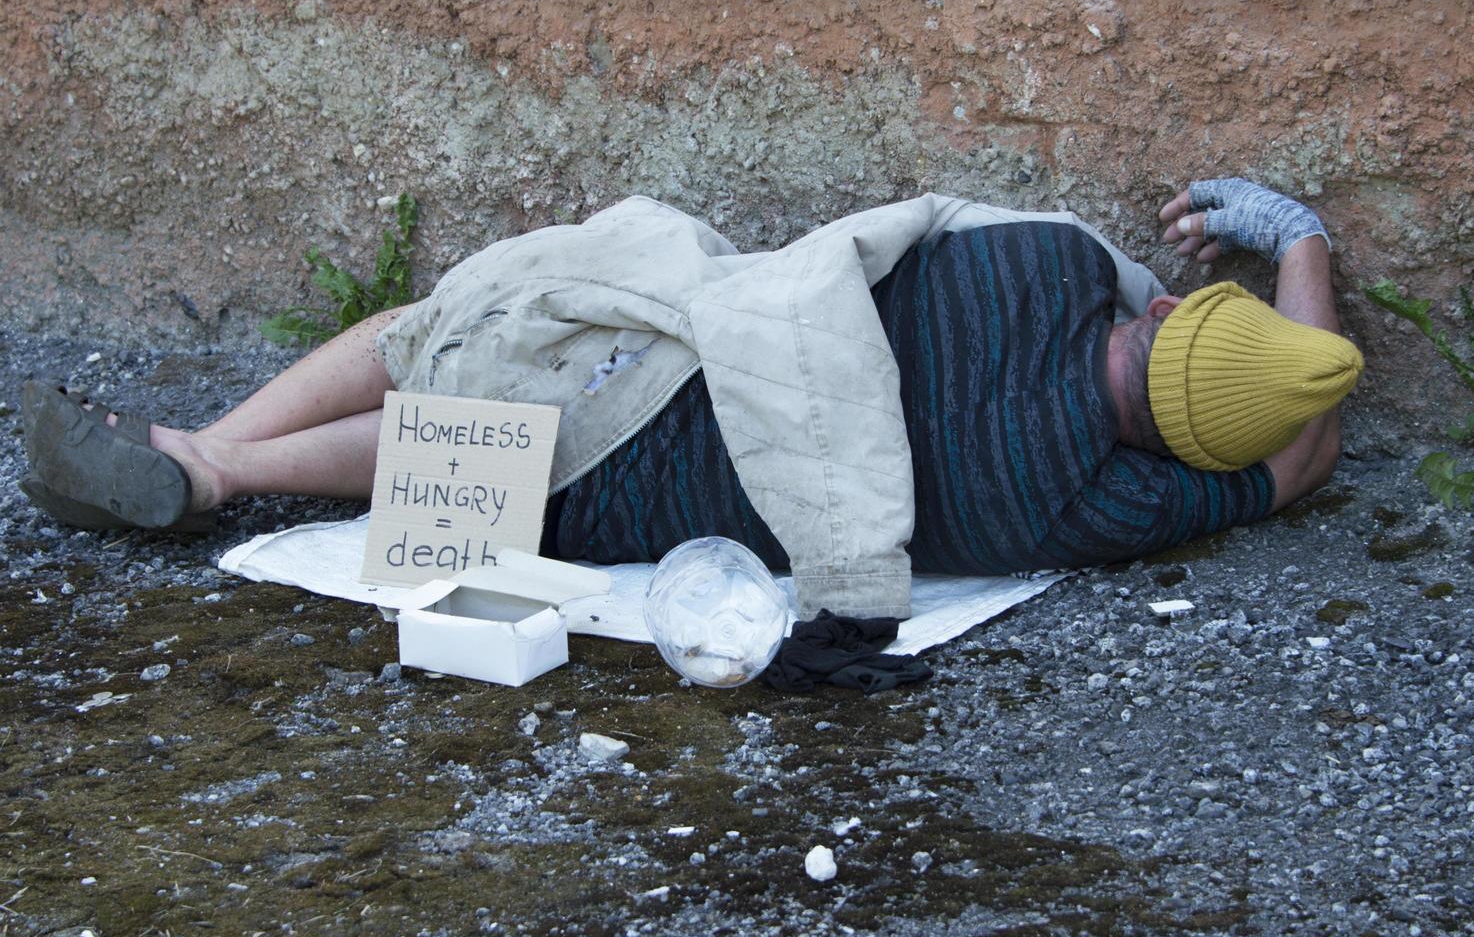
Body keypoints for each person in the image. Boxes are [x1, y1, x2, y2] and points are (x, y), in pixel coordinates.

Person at [20, 178, 1362, 618]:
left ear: (1171, 308)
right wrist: (1308, 270)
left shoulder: (1046, 262)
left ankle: (202, 452)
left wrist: (1283, 238)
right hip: (609, 518)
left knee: (466, 322)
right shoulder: (1099, 501)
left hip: (665, 351)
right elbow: (1298, 457)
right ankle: (214, 474)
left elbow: (828, 270)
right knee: (500, 457)